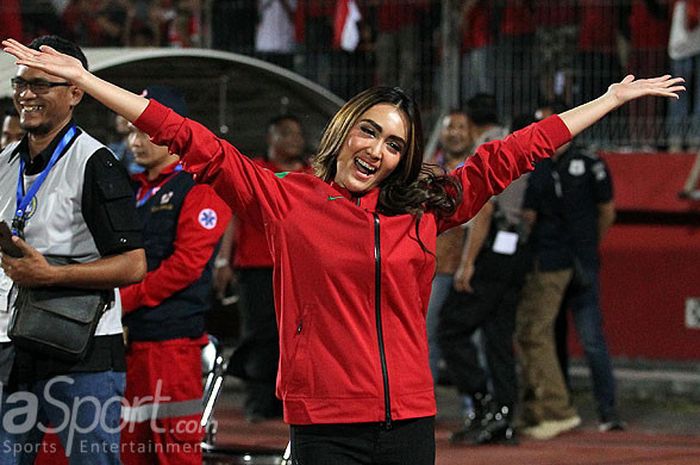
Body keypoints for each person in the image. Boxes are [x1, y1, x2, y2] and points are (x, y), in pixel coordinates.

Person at [4, 36, 683, 464]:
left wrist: (608, 98)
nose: (378, 152)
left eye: (393, 144)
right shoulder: (289, 197)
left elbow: (510, 154)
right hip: (327, 427)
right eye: (369, 132)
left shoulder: (424, 207)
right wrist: (85, 83)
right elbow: (194, 140)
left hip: (410, 425)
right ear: (345, 130)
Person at [0, 35, 145, 465]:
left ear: (76, 91)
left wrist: (53, 276)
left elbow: (134, 264)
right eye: (21, 84)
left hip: (83, 352)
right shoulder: (5, 161)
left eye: (42, 85)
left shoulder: (96, 163)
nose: (27, 95)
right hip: (10, 345)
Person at [118, 85, 231, 465]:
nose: (135, 141)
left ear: (172, 134)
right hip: (132, 342)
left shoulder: (199, 187)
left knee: (174, 452)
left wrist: (122, 302)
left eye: (146, 132)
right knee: (130, 450)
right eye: (132, 131)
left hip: (172, 346)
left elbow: (185, 266)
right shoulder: (134, 189)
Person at [517, 104, 623, 440]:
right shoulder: (540, 166)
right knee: (551, 335)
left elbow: (607, 212)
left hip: (577, 261)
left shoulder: (589, 163)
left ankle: (607, 411)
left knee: (590, 340)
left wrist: (589, 247)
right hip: (550, 260)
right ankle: (556, 407)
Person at [438, 109, 532, 446]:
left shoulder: (492, 146)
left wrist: (468, 263)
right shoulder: (525, 151)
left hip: (492, 252)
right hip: (515, 250)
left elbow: (486, 208)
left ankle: (484, 403)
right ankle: (503, 415)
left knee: (450, 327)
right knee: (497, 337)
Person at [222, 114, 310, 422]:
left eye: (298, 133)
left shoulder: (314, 173)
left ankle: (289, 402)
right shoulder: (257, 170)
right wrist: (224, 259)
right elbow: (233, 215)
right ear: (271, 138)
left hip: (300, 268)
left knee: (296, 337)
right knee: (261, 334)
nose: (295, 139)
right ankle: (259, 402)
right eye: (286, 133)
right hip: (256, 266)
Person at [424, 109, 472, 383]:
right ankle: (425, 406)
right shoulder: (428, 170)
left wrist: (468, 261)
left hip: (474, 268)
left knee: (473, 339)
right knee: (427, 335)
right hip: (439, 269)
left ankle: (476, 406)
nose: (454, 132)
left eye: (461, 127)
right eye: (449, 127)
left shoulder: (478, 168)